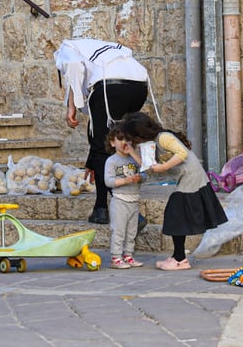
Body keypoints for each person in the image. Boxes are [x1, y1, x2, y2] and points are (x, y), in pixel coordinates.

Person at [55, 39, 149, 224]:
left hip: (110, 86)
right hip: (139, 86)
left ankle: (118, 211)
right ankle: (107, 206)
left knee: (101, 147)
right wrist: (91, 160)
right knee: (112, 143)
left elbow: (73, 68)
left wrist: (71, 107)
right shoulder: (102, 48)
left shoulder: (65, 48)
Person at [120, 111, 227, 270]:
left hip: (191, 177)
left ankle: (179, 259)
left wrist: (163, 167)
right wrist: (132, 152)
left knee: (174, 213)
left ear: (140, 135)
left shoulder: (163, 138)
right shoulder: (152, 144)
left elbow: (182, 153)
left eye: (134, 138)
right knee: (176, 215)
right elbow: (149, 167)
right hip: (186, 178)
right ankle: (179, 257)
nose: (134, 141)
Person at [103, 123, 145, 268]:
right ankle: (116, 257)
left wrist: (140, 177)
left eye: (128, 139)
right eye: (120, 139)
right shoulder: (112, 161)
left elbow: (146, 173)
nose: (124, 143)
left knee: (132, 231)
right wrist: (126, 180)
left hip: (134, 199)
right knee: (119, 230)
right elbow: (108, 181)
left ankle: (128, 255)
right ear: (113, 142)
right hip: (120, 199)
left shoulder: (135, 159)